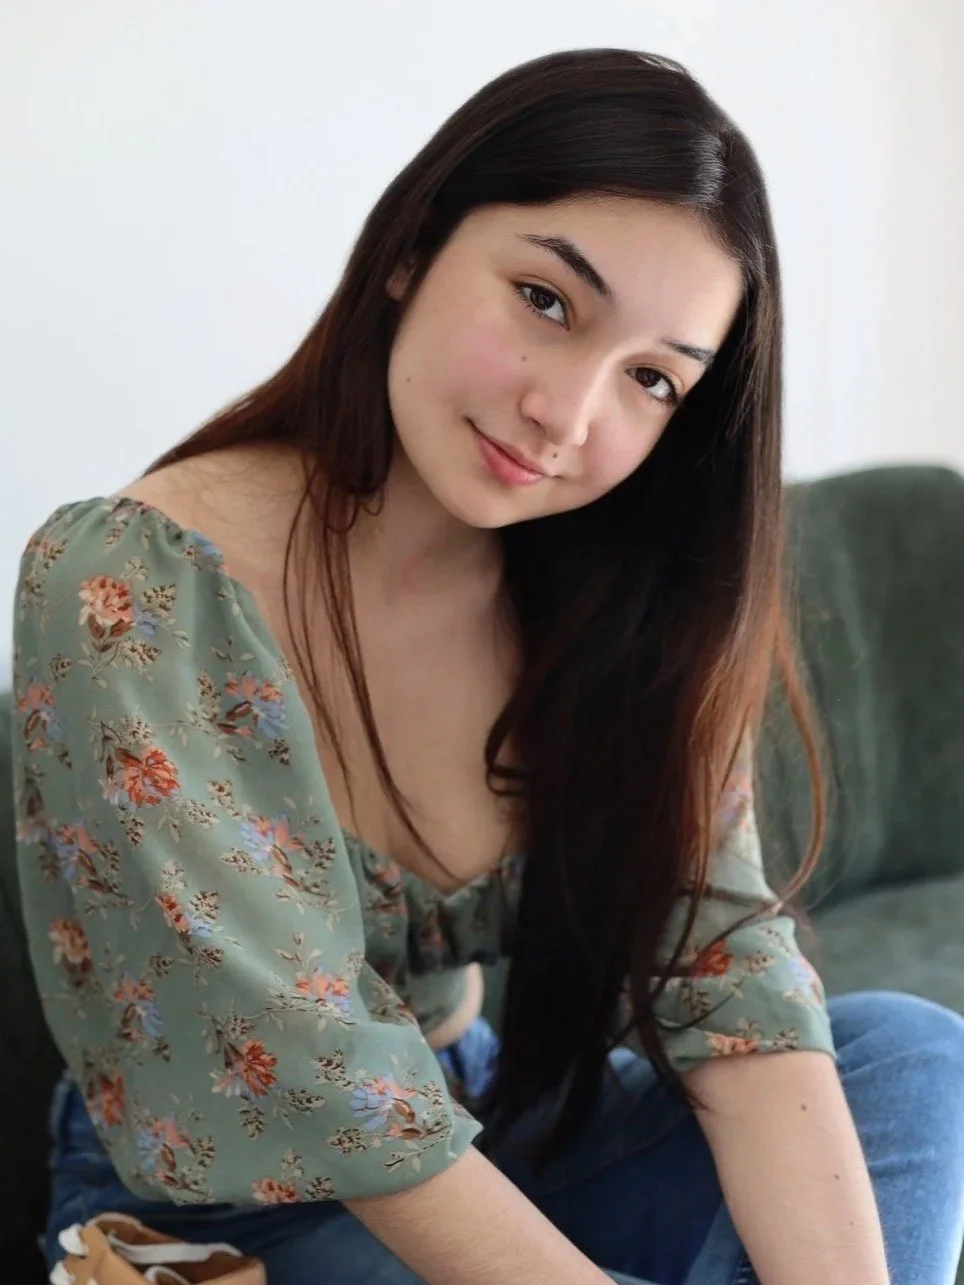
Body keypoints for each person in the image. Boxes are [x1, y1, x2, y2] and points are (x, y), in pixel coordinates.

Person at [11, 47, 964, 1285]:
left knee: (905, 1055)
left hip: (507, 1130)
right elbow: (318, 1085)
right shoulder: (134, 580)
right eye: (547, 301)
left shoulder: (611, 594)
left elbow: (726, 980)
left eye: (652, 379)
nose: (566, 416)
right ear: (413, 245)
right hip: (238, 1218)